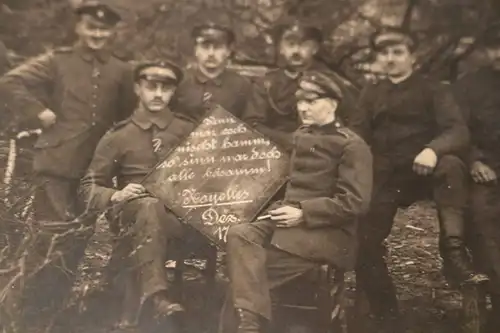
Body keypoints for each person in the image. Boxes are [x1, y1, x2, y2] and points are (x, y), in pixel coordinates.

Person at [0, 1, 135, 331]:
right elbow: (10, 82)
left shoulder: (120, 70)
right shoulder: (57, 61)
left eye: (103, 29)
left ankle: (55, 311)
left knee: (79, 239)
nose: (97, 34)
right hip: (57, 163)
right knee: (49, 237)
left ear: (112, 32)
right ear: (79, 27)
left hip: (93, 170)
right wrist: (38, 112)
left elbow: (127, 115)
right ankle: (27, 312)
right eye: (91, 27)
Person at [220, 71, 373, 333]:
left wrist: (303, 212)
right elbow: (292, 184)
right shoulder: (301, 134)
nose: (303, 107)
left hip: (326, 234)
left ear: (333, 103)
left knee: (243, 273)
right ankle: (250, 323)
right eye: (301, 100)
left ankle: (248, 325)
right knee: (239, 234)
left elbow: (355, 202)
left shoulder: (351, 146)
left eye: (312, 101)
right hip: (287, 223)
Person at [350, 27, 478, 332]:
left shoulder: (433, 89)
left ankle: (454, 249)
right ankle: (386, 312)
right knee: (363, 241)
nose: (391, 59)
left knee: (451, 165)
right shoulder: (371, 92)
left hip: (422, 171)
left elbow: (458, 130)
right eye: (384, 53)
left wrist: (433, 150)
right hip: (385, 175)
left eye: (398, 52)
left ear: (413, 56)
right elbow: (356, 133)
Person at [79, 59, 199, 328]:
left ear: (173, 92)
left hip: (178, 219)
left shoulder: (187, 131)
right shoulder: (119, 135)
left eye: (165, 88)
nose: (158, 94)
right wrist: (116, 195)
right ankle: (158, 296)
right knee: (147, 206)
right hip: (130, 218)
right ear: (137, 88)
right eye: (151, 86)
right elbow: (88, 187)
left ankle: (151, 298)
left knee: (153, 207)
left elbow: (208, 179)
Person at [251, 19, 359, 152]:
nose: (296, 51)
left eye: (303, 45)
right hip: (277, 152)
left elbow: (354, 121)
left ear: (314, 49)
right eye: (290, 45)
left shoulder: (332, 81)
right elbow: (253, 124)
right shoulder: (266, 84)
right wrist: (288, 140)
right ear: (281, 49)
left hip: (323, 154)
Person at [454, 25, 500, 332]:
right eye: (495, 47)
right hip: (487, 168)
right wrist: (473, 161)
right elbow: (458, 129)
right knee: (483, 221)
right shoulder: (469, 85)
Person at [170, 11, 262, 124]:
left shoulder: (242, 86)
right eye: (205, 47)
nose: (211, 53)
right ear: (195, 50)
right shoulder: (179, 82)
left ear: (228, 51)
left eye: (218, 47)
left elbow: (251, 124)